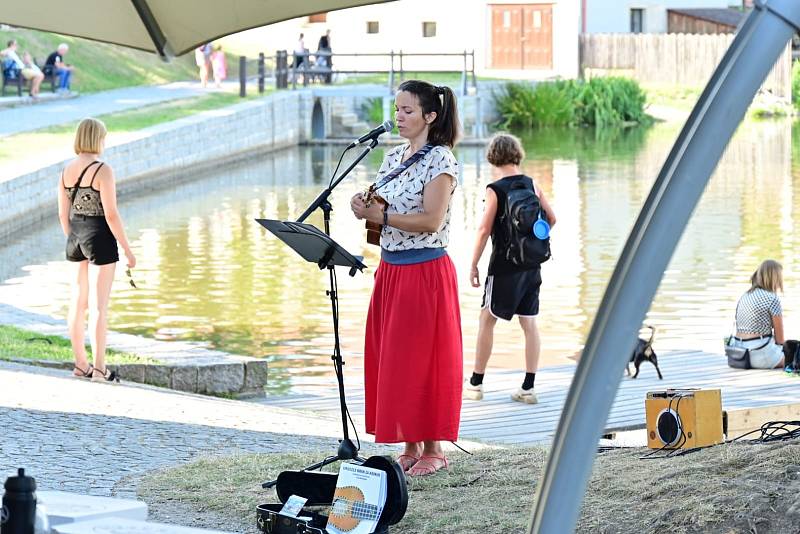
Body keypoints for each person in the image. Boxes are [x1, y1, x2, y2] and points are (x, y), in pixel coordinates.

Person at [350, 80, 462, 477]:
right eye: (397, 109)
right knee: (395, 358)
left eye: (408, 111)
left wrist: (380, 216)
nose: (399, 117)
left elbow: (432, 220)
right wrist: (364, 206)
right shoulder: (394, 156)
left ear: (430, 116)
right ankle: (410, 444)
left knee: (423, 358)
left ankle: (434, 447)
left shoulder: (441, 161)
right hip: (392, 268)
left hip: (424, 270)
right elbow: (384, 206)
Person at [464, 133, 556, 404]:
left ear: (493, 156)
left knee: (486, 320)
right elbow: (552, 218)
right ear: (517, 154)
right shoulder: (531, 184)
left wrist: (473, 265)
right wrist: (531, 243)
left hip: (504, 267)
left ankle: (476, 384)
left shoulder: (496, 189)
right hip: (531, 266)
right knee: (529, 323)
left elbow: (483, 230)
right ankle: (528, 387)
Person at [57, 118, 136, 382]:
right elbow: (111, 215)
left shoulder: (66, 170)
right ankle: (100, 369)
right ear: (98, 138)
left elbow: (62, 214)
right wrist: (127, 249)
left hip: (75, 236)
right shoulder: (103, 170)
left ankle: (81, 364)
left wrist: (75, 238)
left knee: (77, 304)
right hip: (99, 236)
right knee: (99, 306)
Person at [729, 259, 786, 369]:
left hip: (739, 354)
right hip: (760, 356)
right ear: (775, 278)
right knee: (795, 355)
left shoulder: (745, 296)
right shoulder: (772, 299)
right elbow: (780, 340)